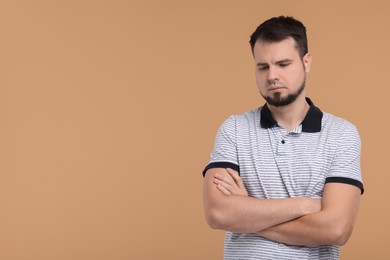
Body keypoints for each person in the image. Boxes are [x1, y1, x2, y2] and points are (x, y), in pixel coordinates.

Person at [202, 16, 364, 260]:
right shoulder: (233, 129)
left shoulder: (341, 134)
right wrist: (307, 205)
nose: (272, 76)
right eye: (263, 66)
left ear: (306, 62)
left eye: (283, 64)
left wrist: (247, 212)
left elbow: (336, 229)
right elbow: (218, 214)